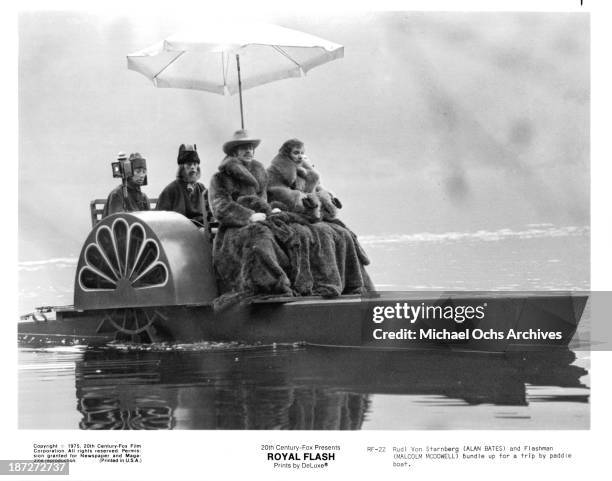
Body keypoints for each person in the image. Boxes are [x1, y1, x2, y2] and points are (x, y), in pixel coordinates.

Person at [267, 139, 374, 294]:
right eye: (296, 153)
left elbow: (318, 189)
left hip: (310, 215)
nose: (299, 156)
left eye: (302, 153)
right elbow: (280, 194)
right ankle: (324, 284)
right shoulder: (275, 171)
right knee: (319, 235)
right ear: (286, 154)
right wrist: (303, 199)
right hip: (288, 213)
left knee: (343, 234)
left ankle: (354, 283)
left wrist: (325, 197)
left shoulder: (304, 171)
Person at [207, 130, 294, 302]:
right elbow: (220, 207)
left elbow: (264, 202)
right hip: (232, 231)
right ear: (234, 152)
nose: (248, 151)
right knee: (258, 236)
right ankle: (269, 285)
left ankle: (299, 282)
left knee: (295, 233)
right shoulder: (220, 178)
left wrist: (271, 211)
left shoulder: (260, 175)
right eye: (243, 148)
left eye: (251, 147)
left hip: (261, 222)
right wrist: (249, 216)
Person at [156, 144, 212, 227]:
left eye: (195, 164)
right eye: (189, 164)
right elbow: (160, 219)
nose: (193, 167)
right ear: (182, 168)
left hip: (202, 232)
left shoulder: (202, 189)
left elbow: (211, 214)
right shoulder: (170, 190)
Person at [102, 152, 150, 218]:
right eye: (138, 172)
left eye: (144, 172)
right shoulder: (117, 194)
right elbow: (116, 221)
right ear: (129, 173)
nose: (142, 175)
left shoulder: (143, 197)